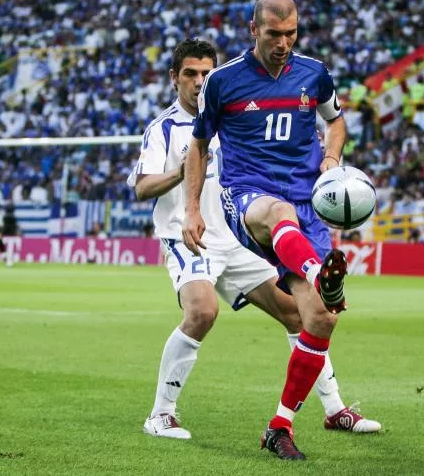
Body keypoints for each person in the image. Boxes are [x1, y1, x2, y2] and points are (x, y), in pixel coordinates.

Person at [130, 39, 379, 443]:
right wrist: (181, 174)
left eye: (206, 73)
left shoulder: (228, 114)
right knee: (202, 312)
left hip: (235, 238)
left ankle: (335, 409)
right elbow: (142, 188)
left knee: (298, 314)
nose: (199, 82)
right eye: (190, 74)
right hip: (188, 237)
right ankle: (160, 414)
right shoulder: (163, 128)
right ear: (174, 78)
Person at [184, 0, 370, 461]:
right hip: (249, 195)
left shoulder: (314, 73)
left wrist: (330, 160)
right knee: (278, 216)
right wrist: (192, 208)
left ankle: (279, 425)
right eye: (274, 35)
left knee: (320, 320)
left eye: (291, 34)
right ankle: (317, 275)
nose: (284, 43)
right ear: (254, 30)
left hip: (307, 201)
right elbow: (199, 146)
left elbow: (336, 123)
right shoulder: (223, 82)